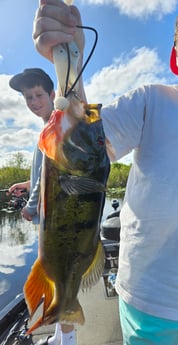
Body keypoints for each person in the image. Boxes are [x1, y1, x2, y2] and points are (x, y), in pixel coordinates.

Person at [32, 0, 178, 344]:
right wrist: (69, 61)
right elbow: (84, 141)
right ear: (175, 56)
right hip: (148, 302)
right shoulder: (150, 101)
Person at [8, 68, 76, 345]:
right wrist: (27, 184)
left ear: (52, 95)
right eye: (28, 98)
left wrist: (30, 207)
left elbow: (50, 178)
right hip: (51, 222)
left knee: (62, 282)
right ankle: (61, 336)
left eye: (38, 95)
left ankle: (68, 340)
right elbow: (41, 176)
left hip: (56, 223)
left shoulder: (57, 128)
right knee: (56, 280)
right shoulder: (47, 128)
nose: (34, 102)